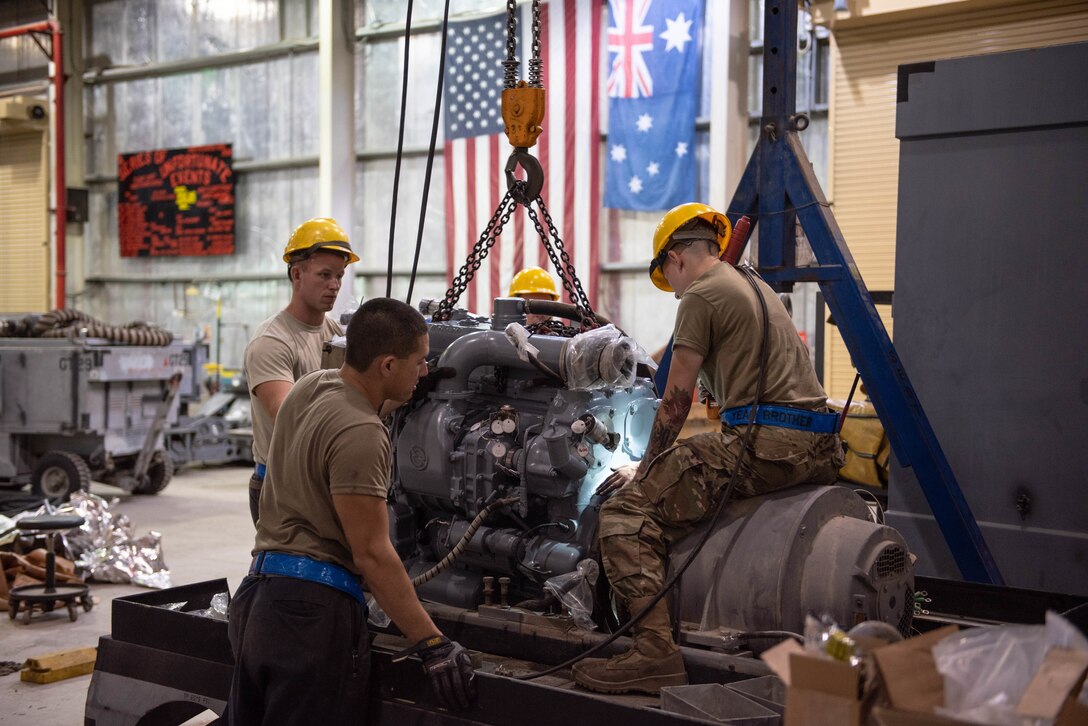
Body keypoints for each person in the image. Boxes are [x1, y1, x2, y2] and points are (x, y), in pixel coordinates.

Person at [572, 203, 844, 695]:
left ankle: (654, 653)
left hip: (767, 444)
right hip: (817, 444)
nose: (675, 292)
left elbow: (676, 402)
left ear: (675, 258)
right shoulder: (753, 284)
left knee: (625, 513)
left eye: (670, 280)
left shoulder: (700, 293)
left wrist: (644, 470)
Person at [226, 298, 476, 724]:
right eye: (419, 362)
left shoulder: (310, 387)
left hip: (257, 602)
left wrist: (405, 392)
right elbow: (372, 554)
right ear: (387, 365)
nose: (424, 371)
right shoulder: (364, 433)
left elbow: (352, 404)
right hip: (311, 619)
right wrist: (431, 642)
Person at [242, 217, 358, 526]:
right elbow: (289, 419)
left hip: (321, 482)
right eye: (324, 275)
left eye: (339, 275)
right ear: (297, 274)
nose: (334, 285)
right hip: (281, 487)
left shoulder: (336, 334)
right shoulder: (272, 342)